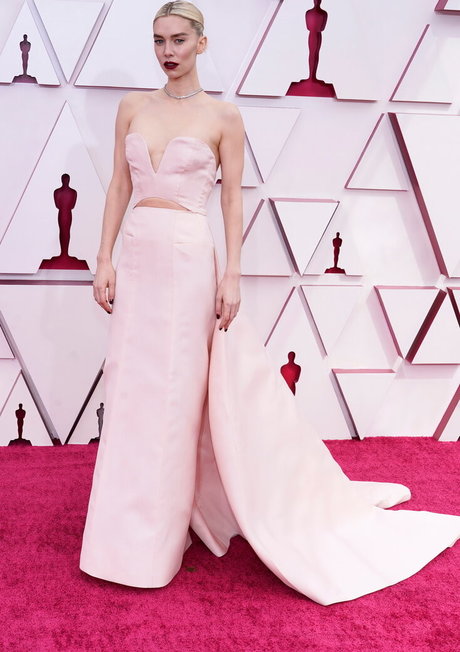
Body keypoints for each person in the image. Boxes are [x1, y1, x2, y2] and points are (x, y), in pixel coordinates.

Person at [79, 1, 460, 605]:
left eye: (178, 40)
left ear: (201, 43)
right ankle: (118, 535)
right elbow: (119, 187)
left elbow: (233, 200)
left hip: (189, 258)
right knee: (131, 386)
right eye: (158, 40)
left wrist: (232, 274)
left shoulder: (223, 116)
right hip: (139, 255)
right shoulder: (132, 107)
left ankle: (155, 541)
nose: (167, 51)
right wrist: (102, 258)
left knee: (176, 392)